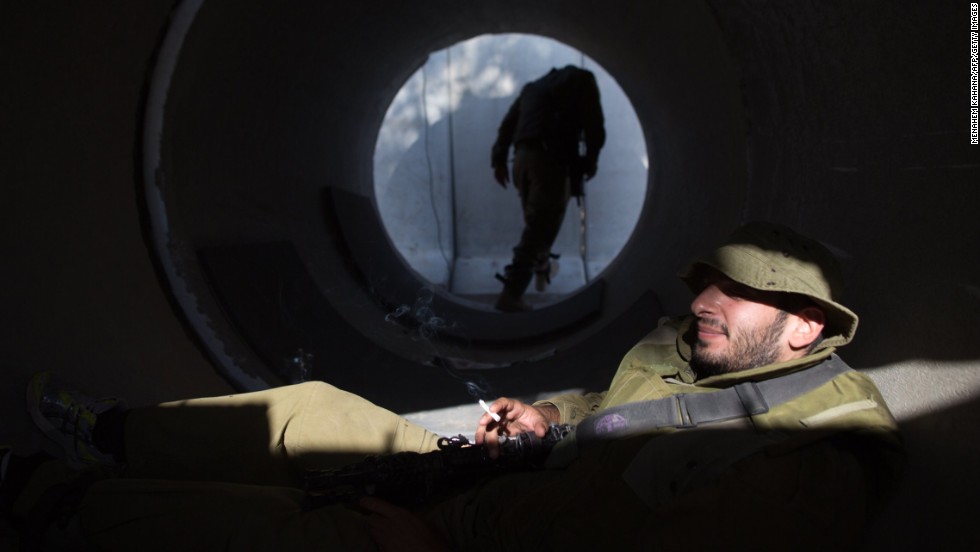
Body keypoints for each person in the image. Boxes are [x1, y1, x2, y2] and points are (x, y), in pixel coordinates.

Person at [0, 222, 904, 550]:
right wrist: (548, 417)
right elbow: (615, 418)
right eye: (708, 281)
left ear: (807, 326)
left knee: (284, 528)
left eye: (735, 294)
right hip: (501, 485)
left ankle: (56, 505)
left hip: (473, 537)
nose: (703, 302)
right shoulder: (713, 354)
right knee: (312, 414)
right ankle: (112, 435)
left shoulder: (808, 466)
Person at [490, 64, 606, 312]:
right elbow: (593, 122)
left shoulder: (533, 88)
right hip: (550, 161)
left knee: (537, 222)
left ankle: (541, 266)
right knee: (541, 226)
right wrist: (592, 159)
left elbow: (508, 124)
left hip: (521, 161)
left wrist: (499, 159)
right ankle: (512, 293)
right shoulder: (582, 80)